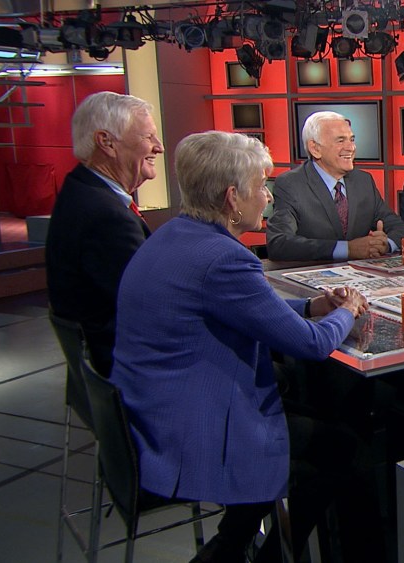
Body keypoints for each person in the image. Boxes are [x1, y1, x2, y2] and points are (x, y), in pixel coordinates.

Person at [109, 131, 373, 562]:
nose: (267, 197)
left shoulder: (175, 235)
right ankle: (240, 551)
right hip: (194, 430)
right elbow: (310, 344)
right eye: (260, 186)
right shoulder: (224, 258)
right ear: (232, 198)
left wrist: (312, 305)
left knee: (312, 421)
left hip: (153, 412)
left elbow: (244, 307)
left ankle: (233, 542)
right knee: (345, 449)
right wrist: (348, 310)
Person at [45, 91, 163, 376]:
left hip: (107, 353)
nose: (158, 147)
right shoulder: (105, 216)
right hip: (128, 364)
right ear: (106, 142)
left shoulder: (80, 189)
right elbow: (152, 304)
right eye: (148, 137)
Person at [267, 110, 404, 261]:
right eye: (340, 141)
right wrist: (347, 249)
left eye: (352, 139)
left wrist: (384, 245)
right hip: (314, 271)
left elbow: (402, 229)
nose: (351, 148)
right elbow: (279, 243)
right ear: (315, 149)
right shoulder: (291, 184)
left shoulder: (363, 181)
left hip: (359, 273)